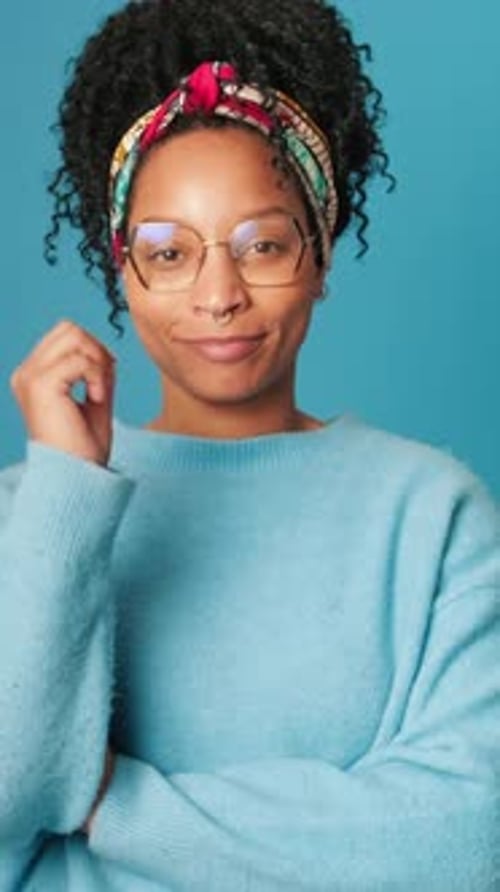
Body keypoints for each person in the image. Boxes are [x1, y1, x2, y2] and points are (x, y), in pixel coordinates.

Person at [0, 0, 498, 889]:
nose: (218, 293)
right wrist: (68, 492)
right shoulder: (34, 512)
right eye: (168, 252)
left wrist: (109, 806)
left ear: (321, 255)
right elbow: (9, 798)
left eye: (262, 243)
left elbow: (468, 838)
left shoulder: (430, 516)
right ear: (123, 268)